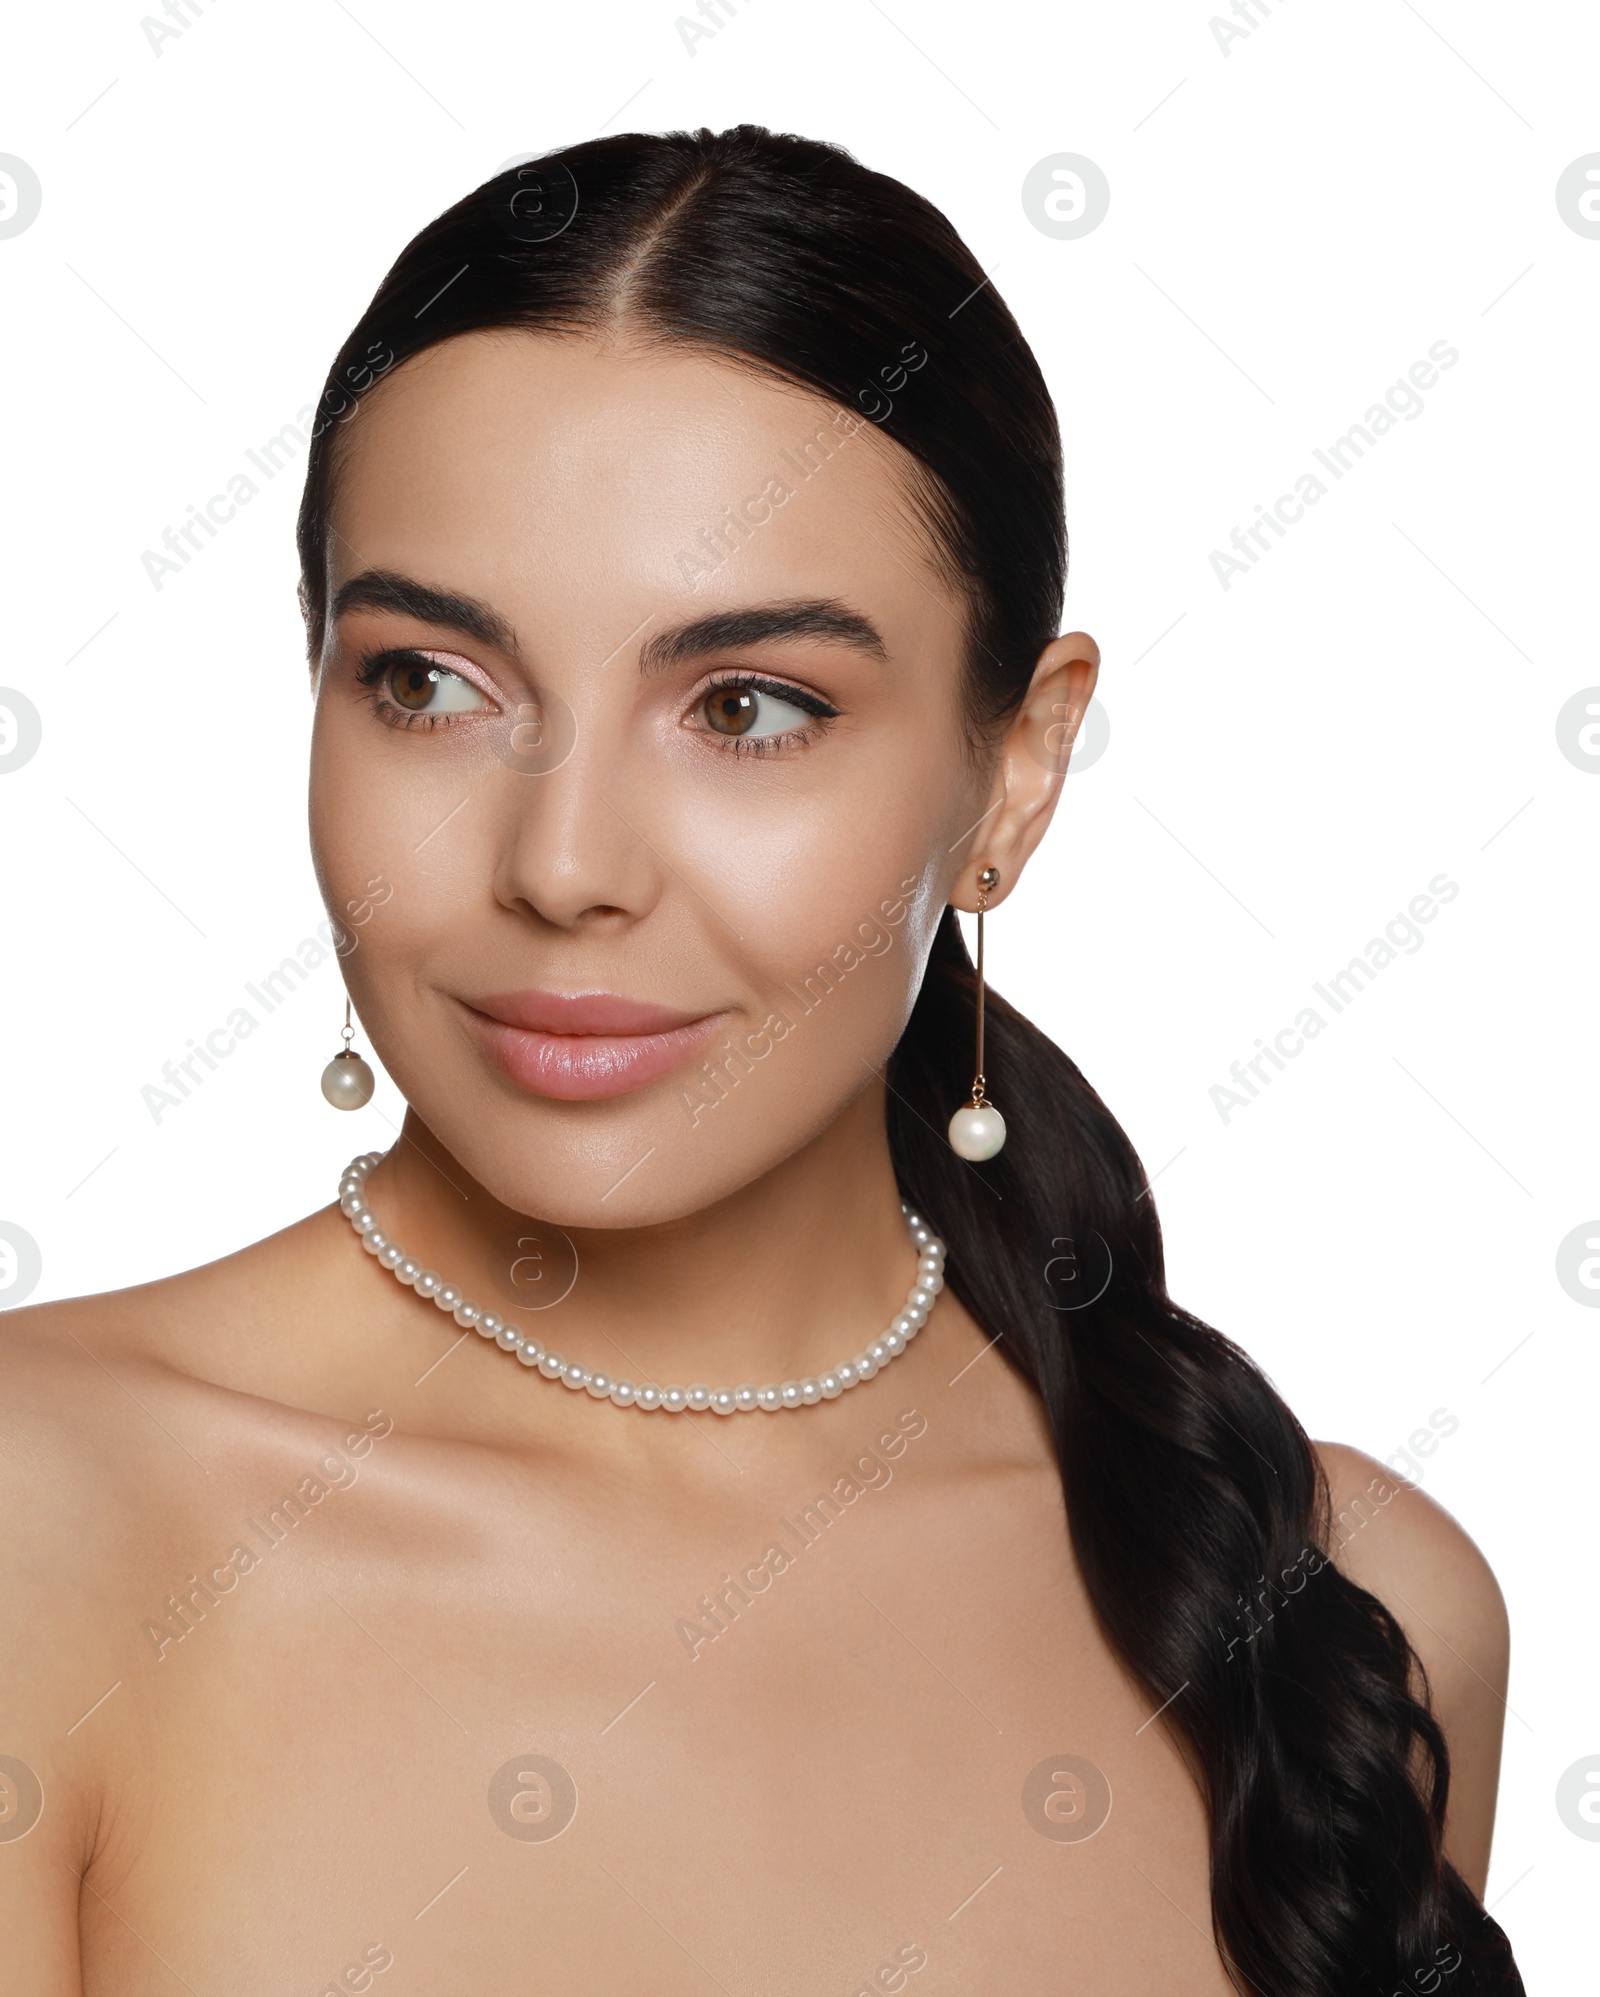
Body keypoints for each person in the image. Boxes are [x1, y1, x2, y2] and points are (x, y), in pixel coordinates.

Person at [0, 126, 1522, 1994]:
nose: (563, 868)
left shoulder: (1347, 1610)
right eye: (430, 683)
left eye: (750, 707)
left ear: (1017, 771)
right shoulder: (42, 1526)